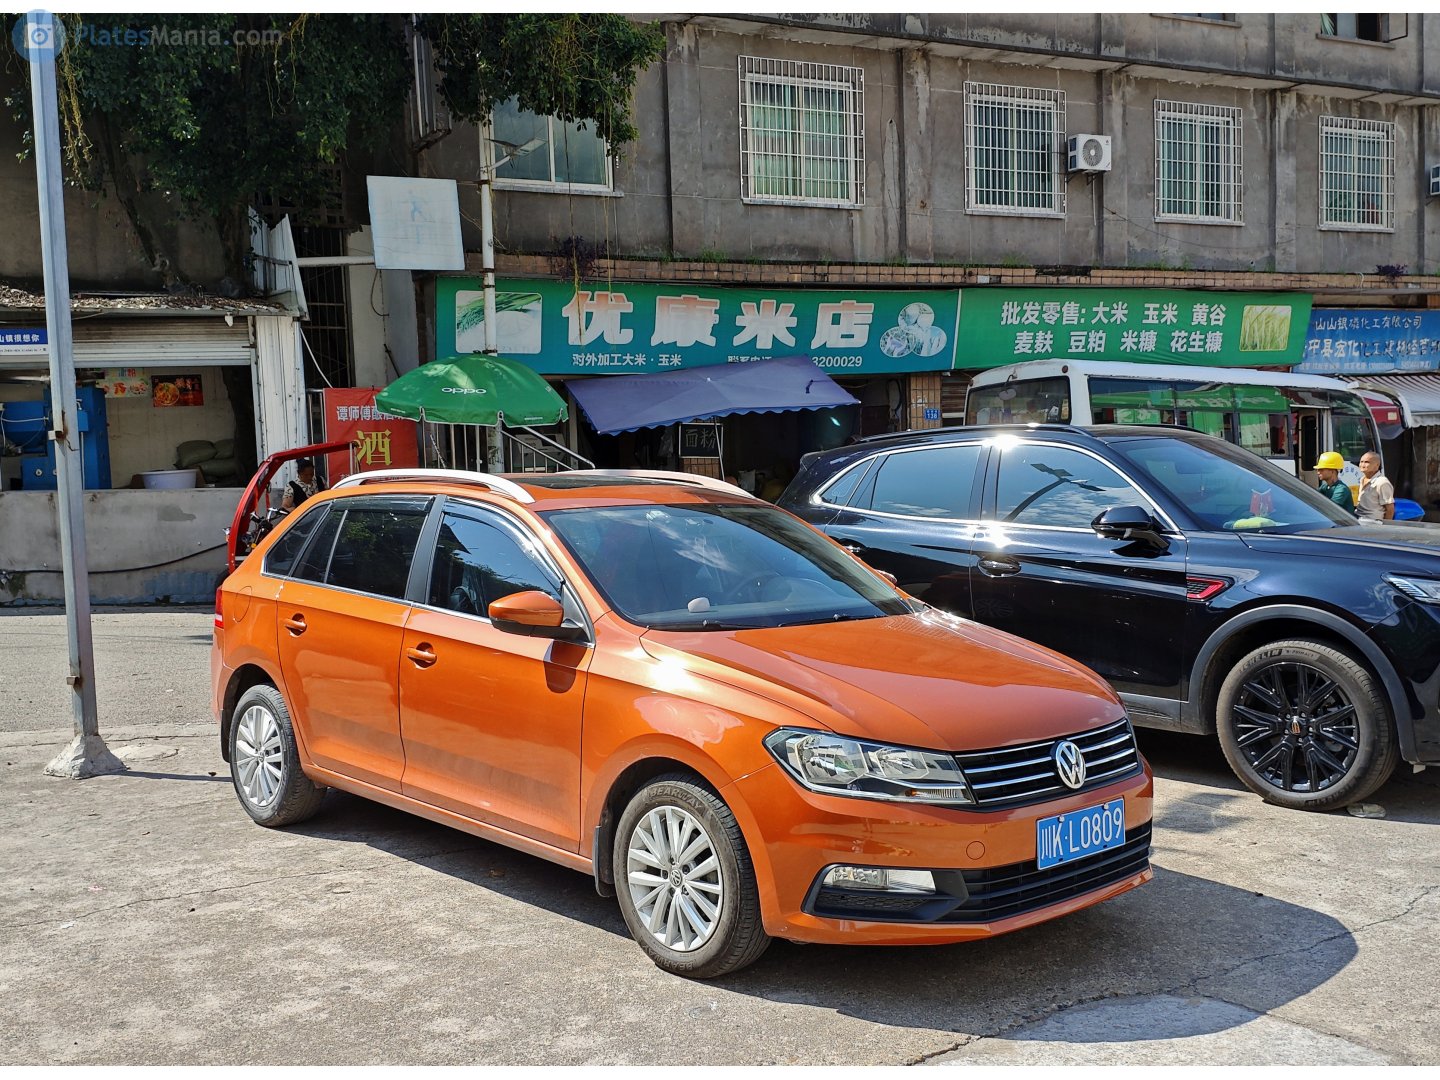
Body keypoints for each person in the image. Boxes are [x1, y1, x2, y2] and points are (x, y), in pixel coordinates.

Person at [1356, 451, 1395, 522]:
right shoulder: (1362, 479)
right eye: (1361, 462)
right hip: (1359, 519)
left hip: (1373, 523)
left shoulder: (1382, 482)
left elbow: (1390, 509)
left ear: (1377, 465)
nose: (1363, 465)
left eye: (1367, 462)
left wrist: (1385, 527)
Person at [1313, 451, 1355, 515]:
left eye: (1321, 470)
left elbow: (1330, 508)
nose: (1318, 472)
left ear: (1332, 471)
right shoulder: (1324, 486)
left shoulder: (1341, 489)